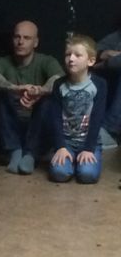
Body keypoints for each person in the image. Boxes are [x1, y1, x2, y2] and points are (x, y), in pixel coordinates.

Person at [0, 20, 63, 174]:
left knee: (50, 98)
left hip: (37, 127)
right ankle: (15, 151)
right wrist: (15, 88)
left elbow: (58, 79)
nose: (20, 42)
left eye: (26, 38)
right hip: (11, 126)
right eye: (17, 37)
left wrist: (40, 91)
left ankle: (30, 155)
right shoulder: (3, 61)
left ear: (36, 42)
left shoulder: (46, 61)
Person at [49, 35, 107, 184]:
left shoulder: (99, 85)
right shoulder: (59, 84)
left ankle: (82, 162)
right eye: (68, 54)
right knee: (59, 174)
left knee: (87, 175)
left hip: (88, 142)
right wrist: (60, 146)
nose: (71, 59)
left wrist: (88, 148)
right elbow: (55, 118)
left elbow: (97, 118)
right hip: (66, 142)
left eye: (77, 55)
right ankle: (70, 161)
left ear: (91, 61)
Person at [94, 22, 121, 148]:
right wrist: (103, 53)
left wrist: (103, 64)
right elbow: (92, 50)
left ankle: (110, 129)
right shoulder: (118, 36)